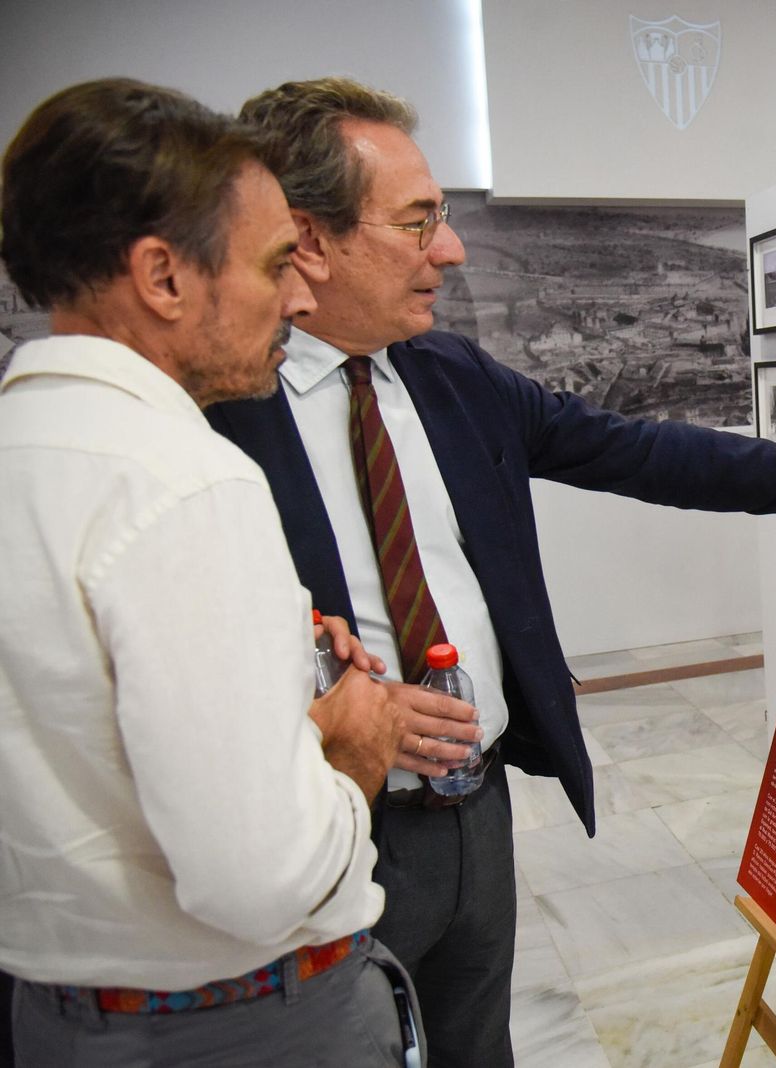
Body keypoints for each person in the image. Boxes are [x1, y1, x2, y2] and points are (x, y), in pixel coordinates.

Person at [204, 76, 776, 1066]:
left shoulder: (454, 380)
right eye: (419, 222)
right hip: (329, 829)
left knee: (478, 1045)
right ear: (309, 239)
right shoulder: (215, 417)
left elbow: (642, 452)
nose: (452, 249)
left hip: (477, 815)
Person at [0, 78, 470, 1066]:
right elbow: (262, 877)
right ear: (165, 277)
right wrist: (351, 742)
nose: (300, 297)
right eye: (271, 265)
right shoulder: (187, 483)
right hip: (245, 1023)